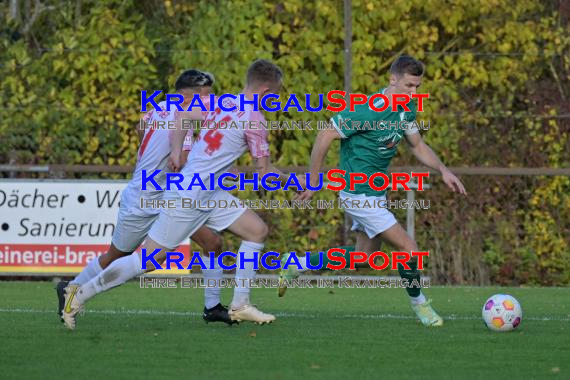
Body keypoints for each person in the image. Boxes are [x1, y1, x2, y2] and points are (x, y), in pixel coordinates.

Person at [62, 59, 304, 329]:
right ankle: (80, 293)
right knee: (148, 260)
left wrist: (177, 150)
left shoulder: (223, 103)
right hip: (189, 194)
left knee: (256, 230)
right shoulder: (255, 119)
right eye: (276, 95)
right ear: (266, 93)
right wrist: (296, 182)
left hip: (207, 192)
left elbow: (183, 116)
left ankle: (240, 304)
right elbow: (264, 172)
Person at [280, 55, 467, 327]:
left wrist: (443, 169)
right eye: (408, 85)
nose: (414, 92)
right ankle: (421, 306)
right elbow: (324, 135)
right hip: (357, 194)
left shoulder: (407, 109)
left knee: (364, 258)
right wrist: (312, 180)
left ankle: (298, 262)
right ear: (392, 80)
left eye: (417, 87)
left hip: (374, 194)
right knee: (409, 248)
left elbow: (417, 146)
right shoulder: (368, 109)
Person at [57, 69, 235, 325]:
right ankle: (72, 290)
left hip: (162, 195)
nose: (211, 100)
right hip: (147, 197)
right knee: (120, 256)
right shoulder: (181, 122)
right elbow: (181, 163)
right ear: (194, 95)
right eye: (208, 95)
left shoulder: (158, 108)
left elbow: (140, 128)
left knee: (212, 242)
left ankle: (213, 307)